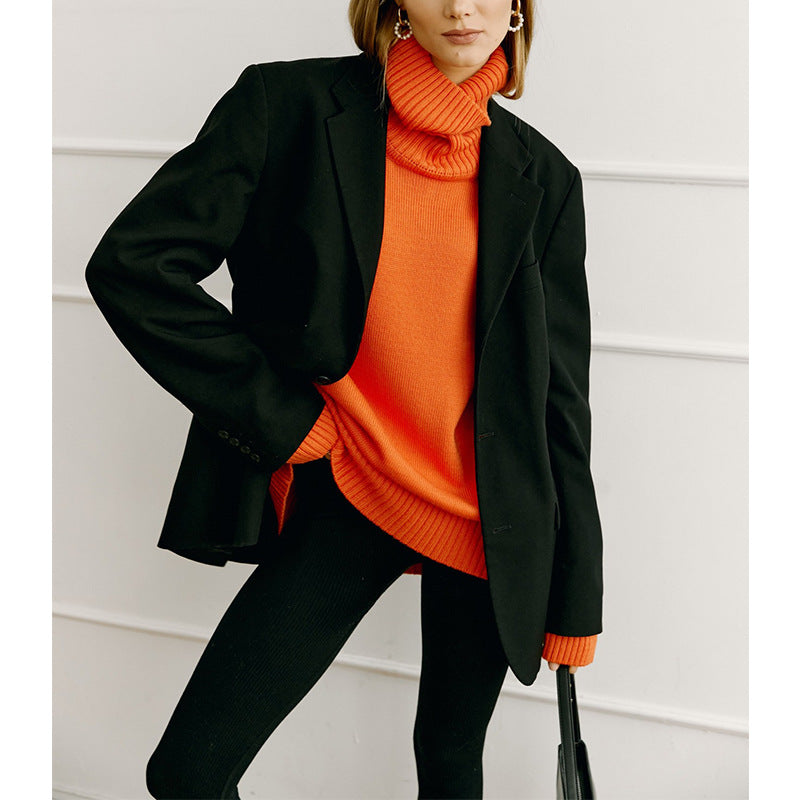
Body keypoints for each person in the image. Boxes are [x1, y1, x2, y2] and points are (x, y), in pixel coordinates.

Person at [84, 1, 603, 797]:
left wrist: (576, 591)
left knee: (451, 762)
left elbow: (560, 402)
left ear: (517, 6)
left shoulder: (545, 176)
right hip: (353, 485)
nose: (461, 7)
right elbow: (134, 265)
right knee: (190, 771)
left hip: (493, 518)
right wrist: (284, 419)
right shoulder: (286, 108)